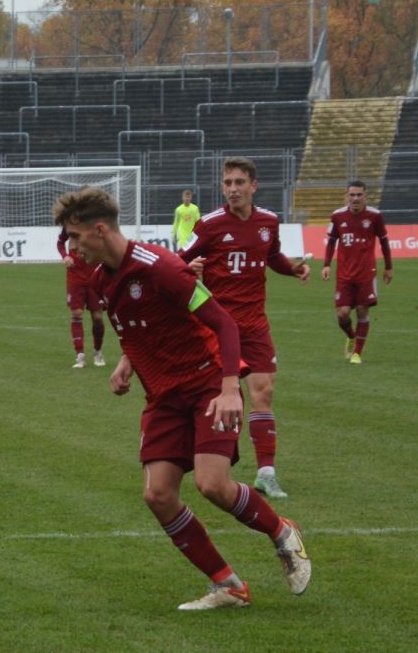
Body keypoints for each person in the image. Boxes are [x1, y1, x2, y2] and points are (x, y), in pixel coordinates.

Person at [53, 186, 310, 611]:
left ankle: (282, 531)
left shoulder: (163, 267)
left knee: (212, 485)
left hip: (208, 385)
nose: (72, 247)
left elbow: (224, 324)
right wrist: (126, 362)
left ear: (99, 230)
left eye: (76, 237)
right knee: (158, 495)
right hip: (163, 396)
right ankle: (229, 586)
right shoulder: (101, 279)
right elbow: (140, 327)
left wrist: (229, 389)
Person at [179, 157, 310, 500]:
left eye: (239, 182)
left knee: (263, 392)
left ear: (253, 185)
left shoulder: (268, 222)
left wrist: (293, 269)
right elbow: (177, 262)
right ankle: (210, 466)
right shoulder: (209, 225)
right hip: (217, 326)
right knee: (222, 398)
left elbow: (272, 256)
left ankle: (266, 473)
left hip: (255, 325)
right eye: (227, 183)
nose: (233, 189)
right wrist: (190, 268)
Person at [322, 180, 393, 364]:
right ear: (347, 196)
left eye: (359, 194)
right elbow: (331, 241)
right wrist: (326, 264)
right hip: (344, 273)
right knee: (342, 313)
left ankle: (357, 353)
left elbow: (384, 241)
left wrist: (388, 267)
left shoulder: (375, 216)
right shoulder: (337, 216)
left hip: (366, 273)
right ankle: (351, 336)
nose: (355, 198)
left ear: (365, 196)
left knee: (362, 310)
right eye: (352, 195)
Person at [57, 226, 106, 368]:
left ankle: (97, 351)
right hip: (75, 274)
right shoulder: (69, 224)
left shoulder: (96, 223)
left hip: (94, 272)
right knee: (77, 313)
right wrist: (65, 256)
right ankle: (80, 355)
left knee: (97, 316)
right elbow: (60, 243)